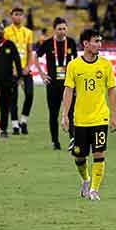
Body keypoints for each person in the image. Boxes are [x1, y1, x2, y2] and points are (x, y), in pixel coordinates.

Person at [61, 29, 116, 201]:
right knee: (79, 155)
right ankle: (86, 179)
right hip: (80, 119)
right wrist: (65, 115)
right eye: (95, 41)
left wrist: (114, 115)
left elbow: (112, 91)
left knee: (99, 153)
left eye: (100, 41)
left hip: (100, 116)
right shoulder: (74, 66)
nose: (99, 44)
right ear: (85, 44)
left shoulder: (106, 65)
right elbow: (69, 91)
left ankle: (94, 189)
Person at [35, 17, 78, 150]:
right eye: (59, 29)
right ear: (54, 30)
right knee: (53, 114)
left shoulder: (71, 42)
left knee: (71, 112)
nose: (62, 31)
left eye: (64, 28)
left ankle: (73, 138)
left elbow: (76, 62)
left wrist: (76, 81)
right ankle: (55, 141)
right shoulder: (47, 43)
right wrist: (42, 74)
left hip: (68, 85)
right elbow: (36, 56)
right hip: (52, 85)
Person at [0, 21, 22, 137]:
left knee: (5, 106)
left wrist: (19, 77)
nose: (0, 31)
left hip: (8, 81)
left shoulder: (10, 45)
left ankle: (4, 129)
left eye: (1, 29)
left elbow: (17, 61)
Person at [3, 7, 35, 134]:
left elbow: (29, 51)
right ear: (11, 16)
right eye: (16, 14)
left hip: (25, 70)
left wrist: (28, 67)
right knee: (13, 98)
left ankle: (24, 121)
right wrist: (12, 68)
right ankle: (15, 125)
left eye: (21, 15)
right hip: (12, 70)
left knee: (30, 94)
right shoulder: (6, 32)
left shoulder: (28, 32)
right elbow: (5, 52)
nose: (18, 17)